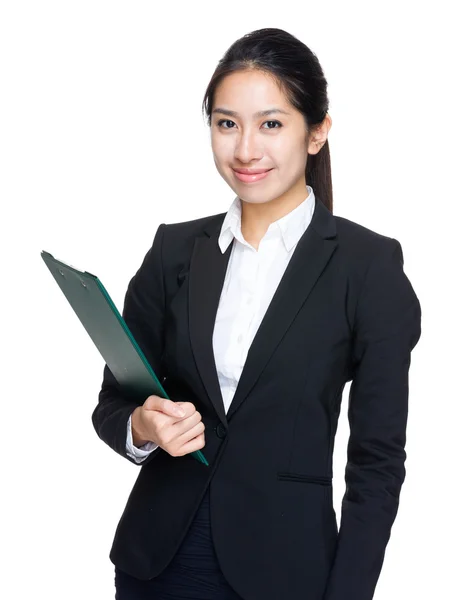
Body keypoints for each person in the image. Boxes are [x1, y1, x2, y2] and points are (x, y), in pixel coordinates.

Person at [92, 27, 422, 600]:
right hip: (157, 564)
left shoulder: (369, 267)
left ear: (316, 132)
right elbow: (112, 405)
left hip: (286, 571)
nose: (245, 149)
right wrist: (142, 427)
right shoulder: (173, 251)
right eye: (226, 123)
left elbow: (377, 462)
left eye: (271, 124)